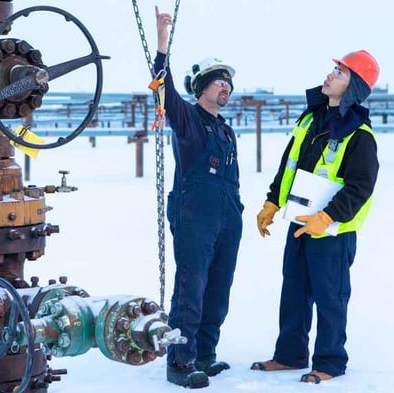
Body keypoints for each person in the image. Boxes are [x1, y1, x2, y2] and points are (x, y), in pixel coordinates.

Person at [252, 50, 380, 384]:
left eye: (340, 72)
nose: (330, 74)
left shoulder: (360, 136)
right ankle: (290, 355)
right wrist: (271, 203)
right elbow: (289, 166)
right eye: (334, 68)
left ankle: (330, 361)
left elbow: (360, 187)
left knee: (330, 296)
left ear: (354, 87)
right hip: (299, 223)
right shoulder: (311, 120)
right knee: (293, 290)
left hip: (332, 232)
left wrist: (326, 217)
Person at [154, 5, 243, 389]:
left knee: (219, 286)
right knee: (192, 286)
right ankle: (180, 361)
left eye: (228, 83)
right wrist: (162, 41)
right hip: (195, 213)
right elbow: (162, 86)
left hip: (226, 215)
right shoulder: (187, 119)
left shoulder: (225, 130)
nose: (225, 87)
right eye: (218, 81)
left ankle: (205, 353)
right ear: (201, 87)